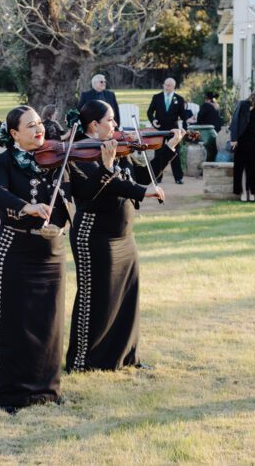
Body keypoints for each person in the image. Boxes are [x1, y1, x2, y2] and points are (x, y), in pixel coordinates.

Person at [65, 100, 182, 372]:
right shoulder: (79, 151)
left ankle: (125, 357)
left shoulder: (116, 145)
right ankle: (83, 361)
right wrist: (139, 190)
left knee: (127, 295)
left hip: (123, 236)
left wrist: (169, 148)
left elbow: (140, 174)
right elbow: (94, 190)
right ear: (95, 124)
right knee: (96, 298)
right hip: (94, 235)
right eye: (111, 120)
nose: (116, 126)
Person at [0, 106, 73, 412]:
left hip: (51, 251)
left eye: (40, 124)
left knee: (49, 321)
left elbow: (78, 191)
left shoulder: (55, 159)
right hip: (15, 250)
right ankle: (7, 394)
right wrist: (25, 206)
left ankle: (47, 389)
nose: (39, 129)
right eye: (30, 126)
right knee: (14, 321)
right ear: (14, 133)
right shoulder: (1, 161)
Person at [146, 78, 191, 184]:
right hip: (159, 129)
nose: (166, 87)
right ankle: (157, 177)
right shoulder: (157, 97)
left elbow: (183, 116)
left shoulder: (179, 99)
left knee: (175, 153)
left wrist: (184, 128)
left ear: (174, 87)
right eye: (165, 85)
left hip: (173, 130)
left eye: (169, 85)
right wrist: (153, 121)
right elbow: (149, 112)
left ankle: (178, 177)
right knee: (158, 153)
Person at [229, 88, 255, 202]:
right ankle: (242, 192)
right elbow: (235, 121)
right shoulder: (243, 105)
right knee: (240, 168)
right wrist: (234, 139)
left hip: (253, 141)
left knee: (252, 168)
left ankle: (251, 192)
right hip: (241, 141)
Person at [196, 90, 224, 162]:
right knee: (215, 148)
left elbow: (200, 117)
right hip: (217, 130)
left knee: (207, 149)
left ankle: (207, 163)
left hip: (208, 130)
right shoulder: (217, 106)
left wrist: (197, 125)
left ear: (207, 99)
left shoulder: (205, 106)